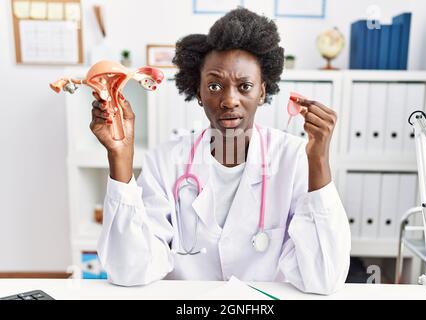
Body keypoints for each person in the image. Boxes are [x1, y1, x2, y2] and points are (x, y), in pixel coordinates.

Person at [90, 7, 351, 295]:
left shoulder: (294, 158)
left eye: (245, 86)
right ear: (198, 93)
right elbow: (129, 270)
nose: (229, 100)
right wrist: (119, 157)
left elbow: (325, 279)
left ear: (262, 92)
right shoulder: (167, 162)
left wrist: (319, 160)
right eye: (214, 85)